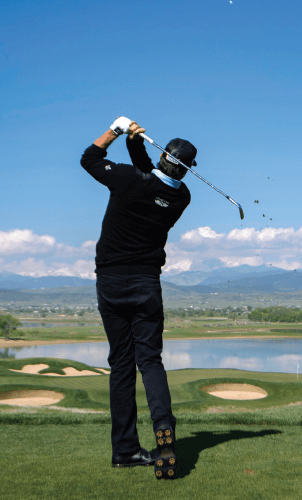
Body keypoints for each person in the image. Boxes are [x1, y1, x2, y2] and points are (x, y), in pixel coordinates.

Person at [80, 116, 196, 480]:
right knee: (150, 362)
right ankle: (164, 431)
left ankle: (125, 450)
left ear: (163, 156)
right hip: (147, 284)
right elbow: (153, 176)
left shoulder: (128, 180)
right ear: (188, 169)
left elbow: (89, 159)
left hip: (111, 282)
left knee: (121, 366)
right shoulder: (181, 197)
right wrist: (136, 143)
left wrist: (116, 131)